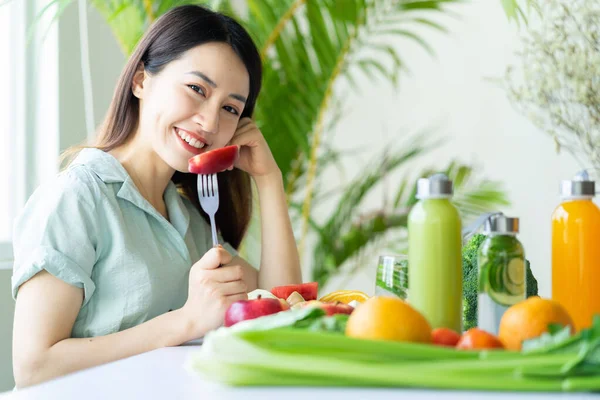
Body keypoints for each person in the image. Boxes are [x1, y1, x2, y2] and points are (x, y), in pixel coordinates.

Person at [11, 5, 301, 388]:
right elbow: (33, 367)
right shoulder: (76, 199)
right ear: (141, 81)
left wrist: (269, 180)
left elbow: (282, 307)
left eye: (230, 108)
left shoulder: (189, 219)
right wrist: (185, 321)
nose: (211, 123)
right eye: (197, 89)